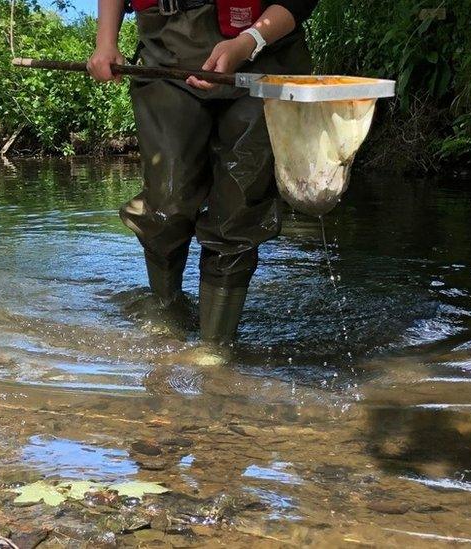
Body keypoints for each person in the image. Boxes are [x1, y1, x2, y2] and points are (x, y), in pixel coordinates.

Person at [88, 0, 318, 343]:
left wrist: (249, 41)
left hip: (264, 57)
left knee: (240, 209)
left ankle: (215, 352)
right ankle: (166, 325)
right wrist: (106, 42)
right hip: (167, 53)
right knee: (166, 205)